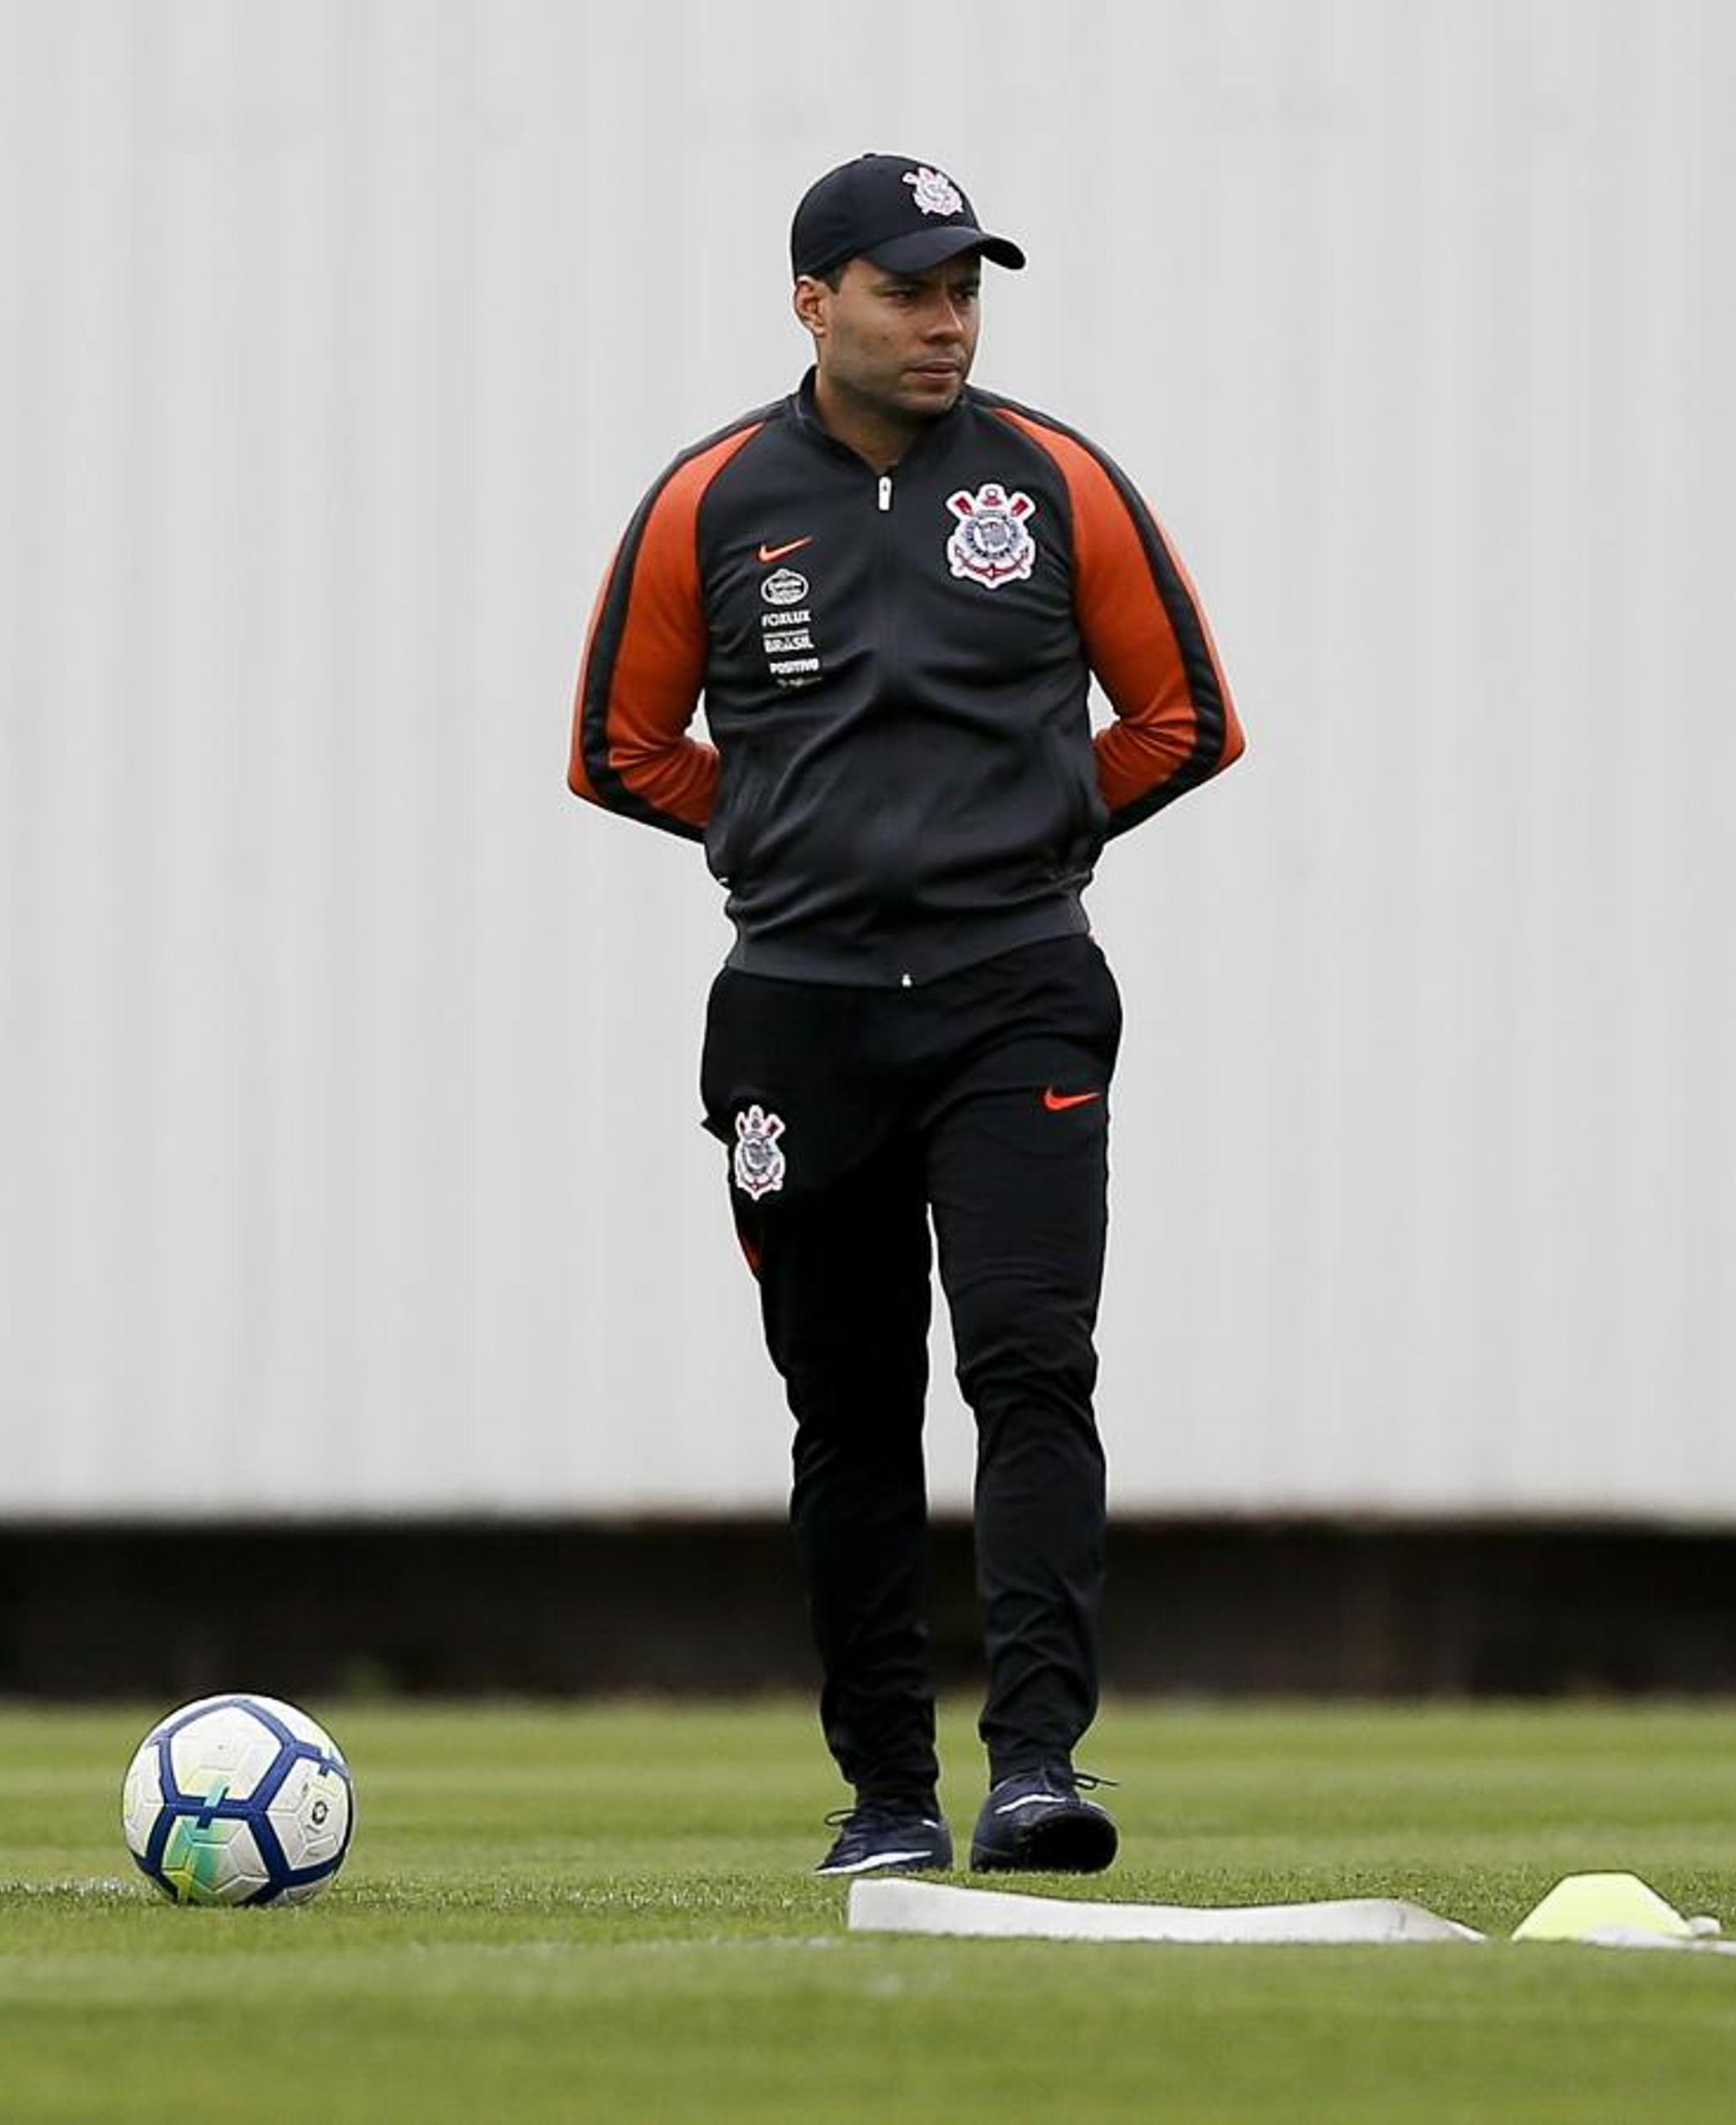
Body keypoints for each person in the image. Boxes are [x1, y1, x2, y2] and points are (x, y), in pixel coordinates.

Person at [567, 152, 1244, 1876]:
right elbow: (618, 747)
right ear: (814, 302)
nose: (948, 322)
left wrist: (1017, 839)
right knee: (851, 1408)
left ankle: (1040, 1769)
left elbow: (1184, 719)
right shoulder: (708, 502)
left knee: (1031, 1366)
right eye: (908, 288)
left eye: (967, 289)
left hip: (1015, 993)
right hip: (799, 1015)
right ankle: (887, 1794)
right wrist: (790, 842)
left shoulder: (1056, 482)